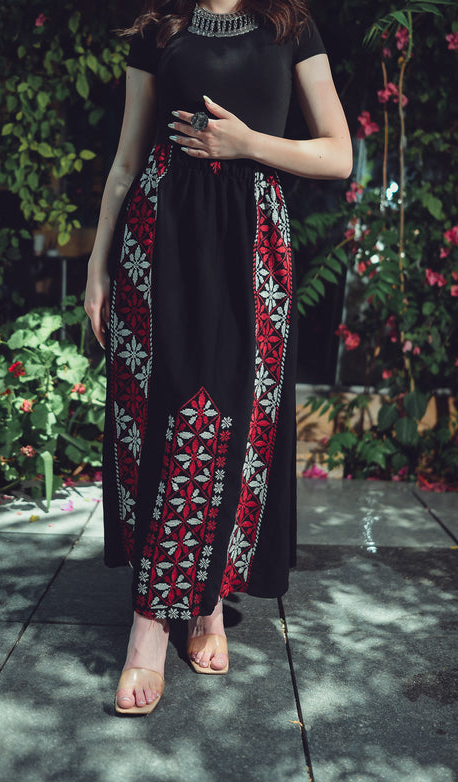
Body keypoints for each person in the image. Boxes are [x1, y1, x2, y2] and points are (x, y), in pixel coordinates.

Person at [84, 0, 352, 715]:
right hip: (158, 235)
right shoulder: (158, 29)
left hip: (251, 242)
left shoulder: (289, 25)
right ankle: (148, 623)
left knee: (234, 411)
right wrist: (97, 268)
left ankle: (206, 602)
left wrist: (248, 144)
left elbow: (337, 152)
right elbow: (126, 160)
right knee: (163, 409)